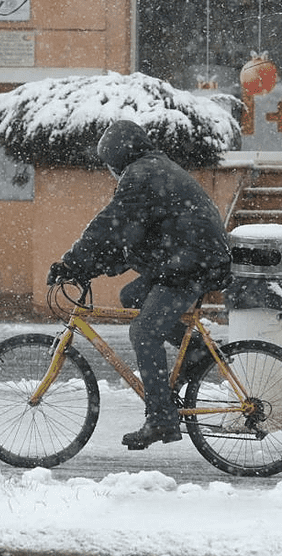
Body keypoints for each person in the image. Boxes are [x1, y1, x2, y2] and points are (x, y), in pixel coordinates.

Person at [47, 120, 232, 450]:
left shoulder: (142, 174)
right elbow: (129, 238)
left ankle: (161, 418)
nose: (111, 170)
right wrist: (89, 268)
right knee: (132, 295)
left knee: (145, 332)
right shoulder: (152, 168)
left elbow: (110, 226)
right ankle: (197, 352)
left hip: (191, 262)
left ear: (119, 155)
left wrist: (73, 263)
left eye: (110, 162)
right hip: (188, 257)